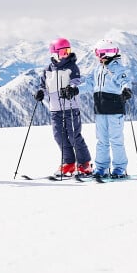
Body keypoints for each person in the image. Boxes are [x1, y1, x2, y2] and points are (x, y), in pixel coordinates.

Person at [34, 38, 93, 177]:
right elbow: (44, 86)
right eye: (63, 51)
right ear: (54, 53)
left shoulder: (72, 66)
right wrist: (41, 92)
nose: (66, 54)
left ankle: (84, 164)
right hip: (55, 109)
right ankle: (69, 163)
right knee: (59, 136)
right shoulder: (48, 70)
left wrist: (72, 88)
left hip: (70, 108)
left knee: (74, 135)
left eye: (68, 51)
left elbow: (77, 82)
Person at [91, 39, 133, 179]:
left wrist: (126, 89)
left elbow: (125, 81)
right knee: (102, 140)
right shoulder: (99, 68)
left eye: (98, 53)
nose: (97, 56)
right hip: (100, 109)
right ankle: (101, 168)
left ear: (105, 53)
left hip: (114, 109)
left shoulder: (117, 68)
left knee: (116, 139)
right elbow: (92, 84)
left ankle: (119, 168)